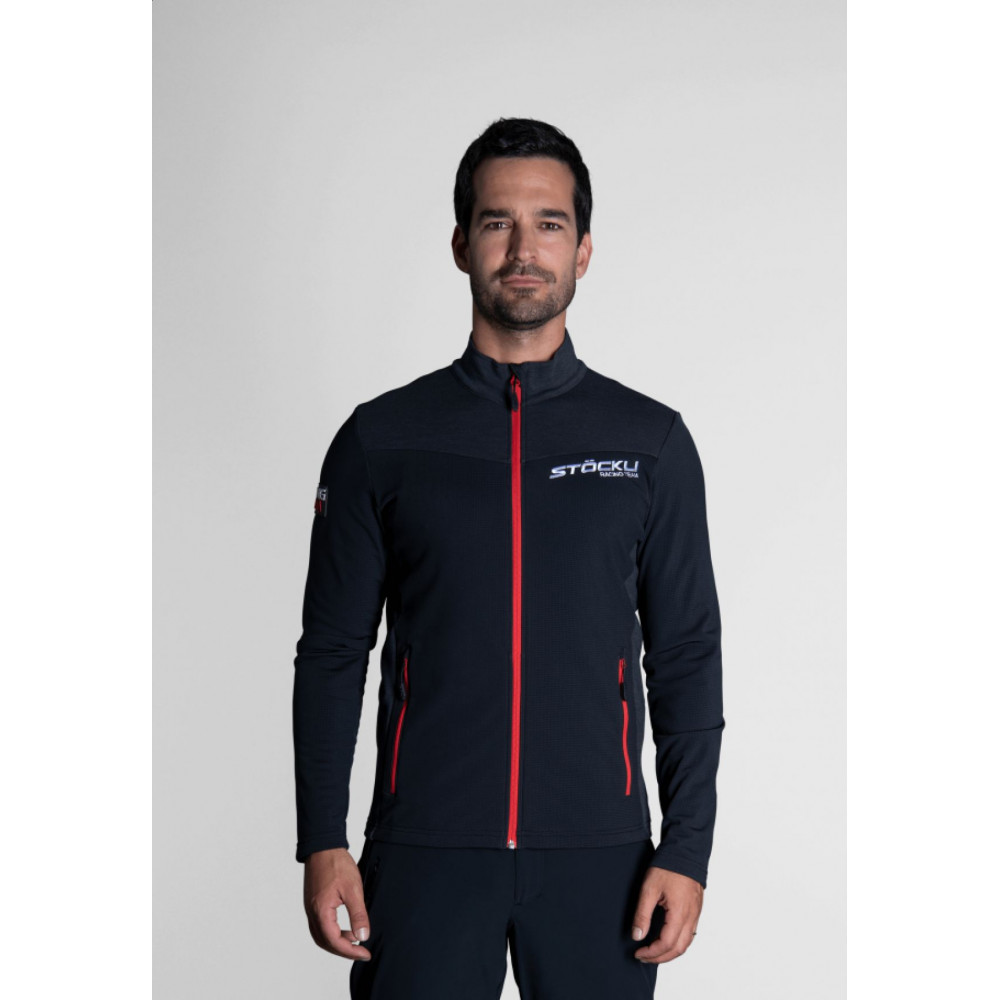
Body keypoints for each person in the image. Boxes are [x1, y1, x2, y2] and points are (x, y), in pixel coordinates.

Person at [292, 117, 725, 999]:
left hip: (601, 857)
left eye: (549, 223)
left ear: (584, 250)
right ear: (461, 244)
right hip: (424, 850)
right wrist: (322, 839)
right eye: (498, 222)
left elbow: (685, 655)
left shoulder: (650, 443)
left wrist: (687, 849)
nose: (524, 249)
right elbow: (333, 652)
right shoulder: (381, 440)